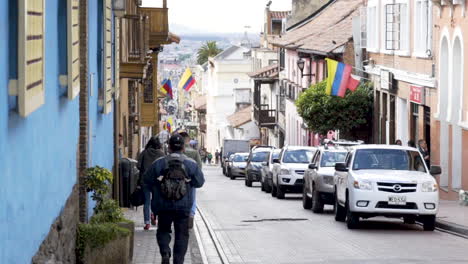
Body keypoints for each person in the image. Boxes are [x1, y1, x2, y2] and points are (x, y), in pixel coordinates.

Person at [143, 134, 205, 264]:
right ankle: (178, 261)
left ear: (169, 148)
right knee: (182, 235)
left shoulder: (159, 163)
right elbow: (199, 182)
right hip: (183, 207)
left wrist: (157, 187)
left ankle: (165, 252)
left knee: (164, 230)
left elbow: (146, 181)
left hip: (163, 205)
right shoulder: (191, 164)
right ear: (183, 148)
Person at [137, 136, 165, 230]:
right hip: (157, 180)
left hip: (145, 180)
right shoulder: (161, 153)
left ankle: (147, 223)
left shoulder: (144, 153)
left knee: (147, 202)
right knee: (156, 200)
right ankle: (154, 215)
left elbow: (138, 165)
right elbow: (165, 167)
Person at [179, 132, 202, 229]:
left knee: (179, 195)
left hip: (179, 179)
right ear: (188, 140)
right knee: (192, 198)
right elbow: (199, 166)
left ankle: (182, 213)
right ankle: (191, 215)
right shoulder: (194, 152)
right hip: (191, 179)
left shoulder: (180, 151)